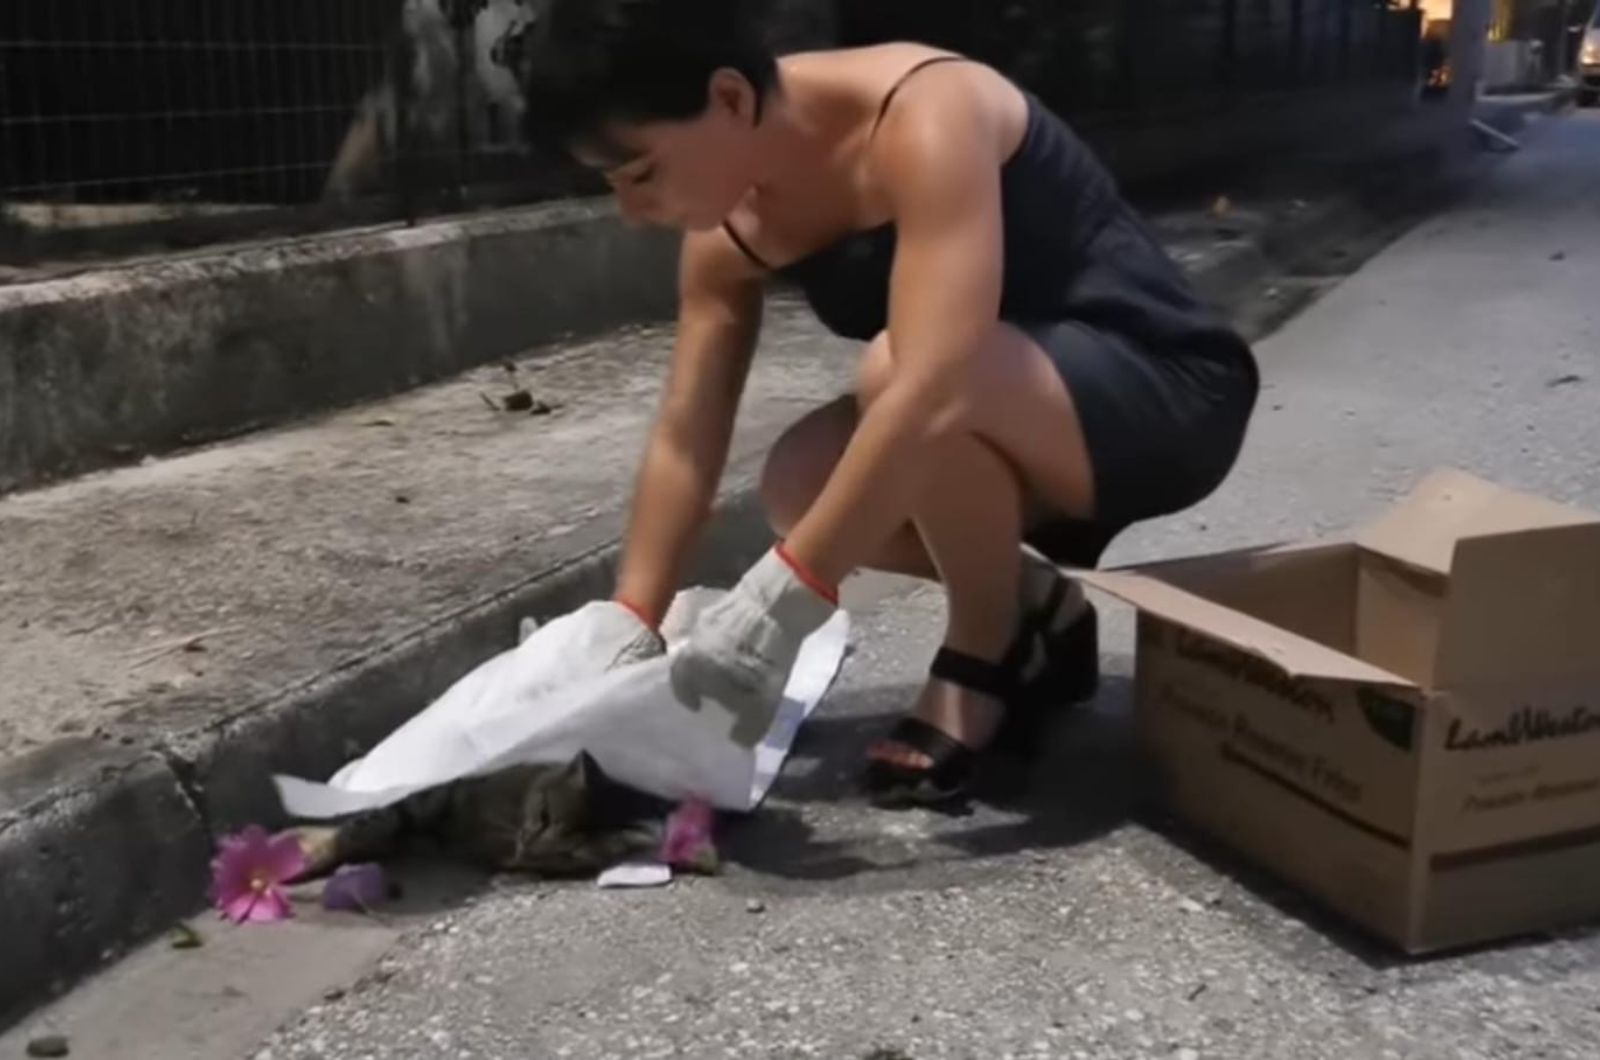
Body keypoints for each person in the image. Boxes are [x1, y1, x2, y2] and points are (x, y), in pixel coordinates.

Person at [517, 0, 1259, 806]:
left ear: (729, 98)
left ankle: (983, 651)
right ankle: (1035, 601)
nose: (632, 212)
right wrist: (631, 623)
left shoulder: (927, 113)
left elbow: (934, 386)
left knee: (903, 372)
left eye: (642, 173)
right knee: (799, 482)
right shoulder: (728, 235)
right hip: (1002, 408)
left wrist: (777, 608)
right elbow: (687, 442)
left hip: (1164, 394)